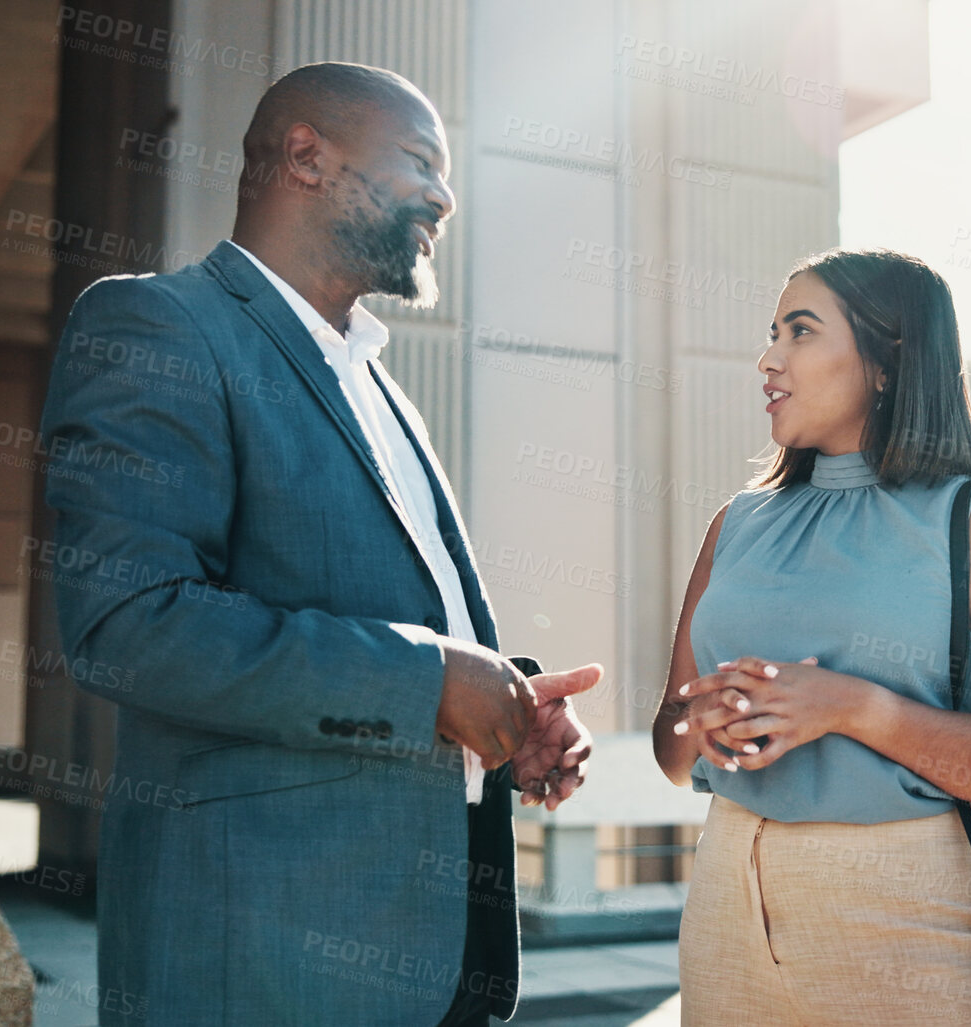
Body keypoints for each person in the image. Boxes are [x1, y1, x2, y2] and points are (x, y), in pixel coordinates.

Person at [41, 61, 599, 1026]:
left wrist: (500, 714)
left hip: (435, 965)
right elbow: (129, 623)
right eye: (421, 162)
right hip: (259, 966)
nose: (444, 197)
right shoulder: (158, 326)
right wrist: (428, 682)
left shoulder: (379, 383)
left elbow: (382, 621)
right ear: (305, 156)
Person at [651, 248, 971, 1025]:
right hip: (723, 903)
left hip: (906, 919)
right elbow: (671, 747)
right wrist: (698, 724)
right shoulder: (734, 523)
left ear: (887, 362)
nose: (768, 359)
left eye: (800, 331)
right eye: (772, 334)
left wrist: (854, 707)